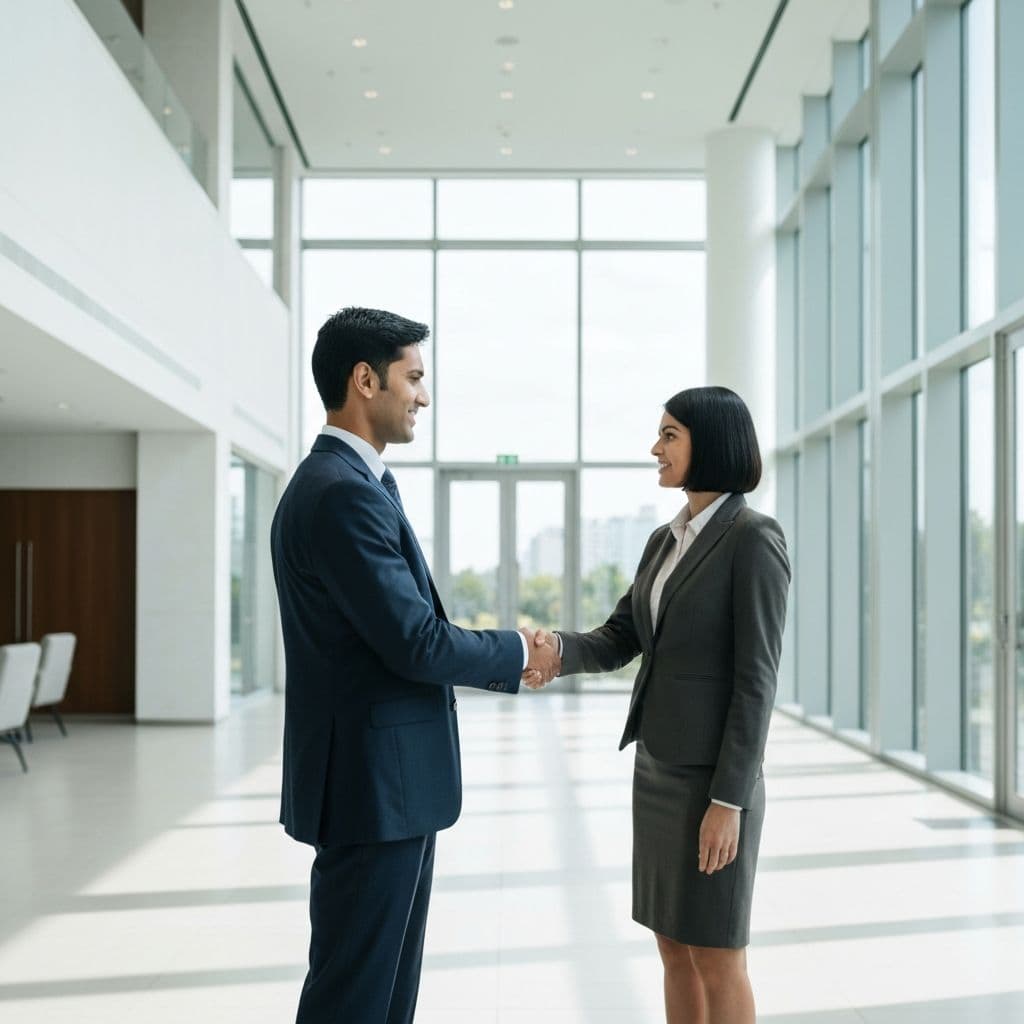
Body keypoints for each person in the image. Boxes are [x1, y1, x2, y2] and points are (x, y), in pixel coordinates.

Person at [271, 306, 560, 1024]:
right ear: (365, 380)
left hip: (384, 785)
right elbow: (416, 642)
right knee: (358, 996)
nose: (423, 397)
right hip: (373, 788)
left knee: (381, 991)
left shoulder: (353, 484)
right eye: (414, 378)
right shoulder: (341, 493)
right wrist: (521, 649)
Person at [535, 386, 790, 1024]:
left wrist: (728, 802)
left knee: (718, 953)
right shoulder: (663, 540)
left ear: (712, 443)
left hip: (713, 785)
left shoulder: (753, 539)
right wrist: (553, 649)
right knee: (673, 946)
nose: (656, 447)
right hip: (657, 771)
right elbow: (621, 637)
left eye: (670, 434)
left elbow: (756, 680)